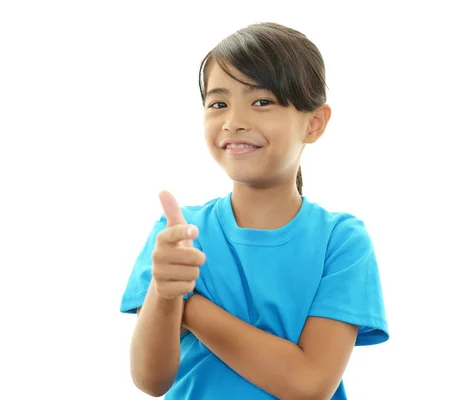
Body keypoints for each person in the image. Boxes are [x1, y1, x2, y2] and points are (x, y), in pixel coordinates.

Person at [120, 22, 389, 399]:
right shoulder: (178, 235)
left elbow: (309, 384)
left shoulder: (340, 241)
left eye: (261, 101)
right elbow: (151, 380)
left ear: (314, 123)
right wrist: (165, 294)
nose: (234, 121)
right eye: (218, 103)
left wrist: (190, 305)